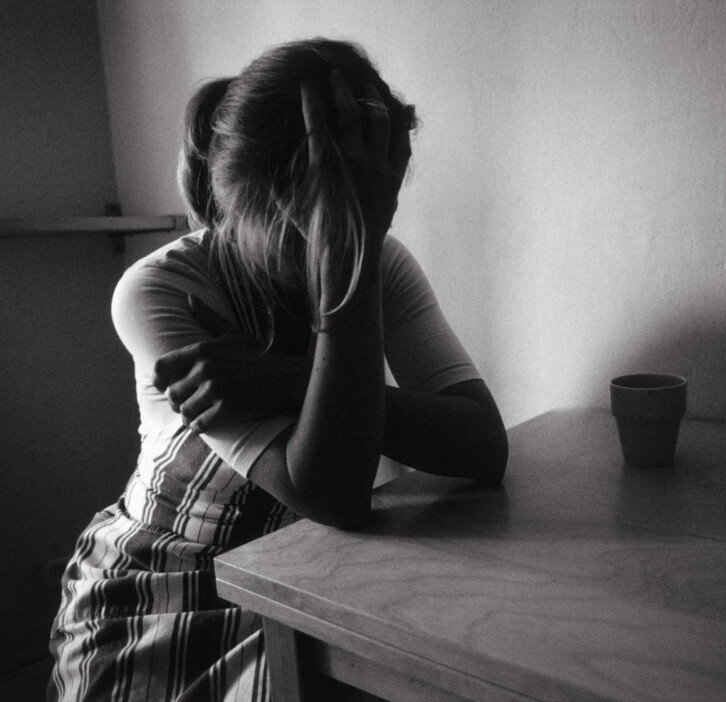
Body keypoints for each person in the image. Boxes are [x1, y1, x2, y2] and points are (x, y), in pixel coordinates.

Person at [48, 38, 507, 701]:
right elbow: (333, 493)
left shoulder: (380, 263)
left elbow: (484, 446)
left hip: (311, 569)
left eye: (366, 207)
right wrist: (346, 263)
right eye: (319, 217)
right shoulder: (161, 289)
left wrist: (285, 376)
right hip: (165, 581)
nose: (338, 238)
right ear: (247, 199)